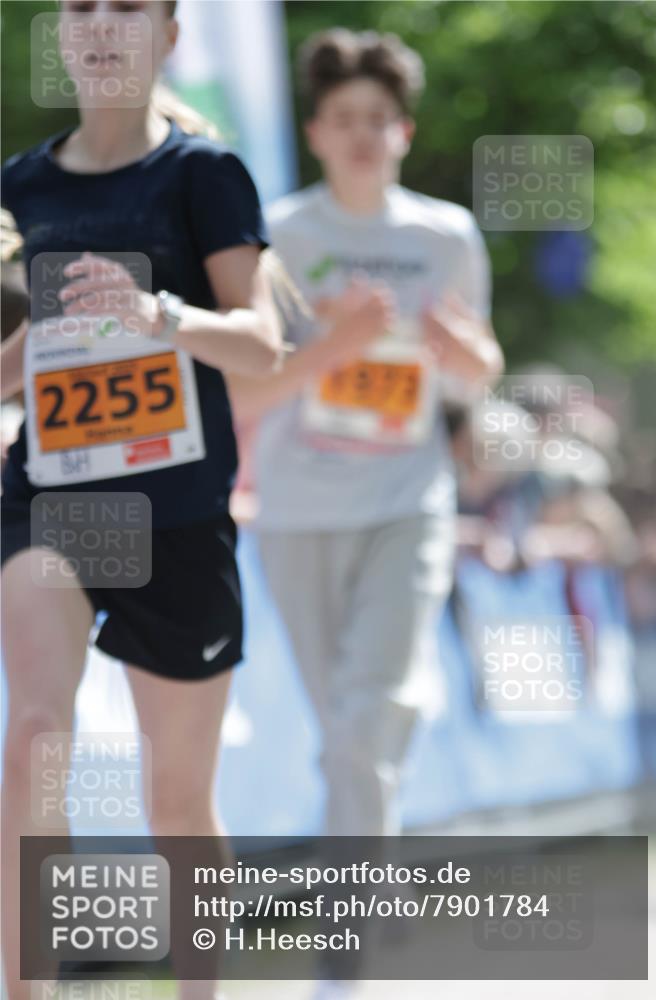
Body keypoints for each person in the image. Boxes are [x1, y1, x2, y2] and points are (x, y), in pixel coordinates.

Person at [0, 2, 283, 998]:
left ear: (168, 34)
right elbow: (11, 367)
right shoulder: (16, 188)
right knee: (36, 732)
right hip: (54, 496)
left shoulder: (203, 174)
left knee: (177, 800)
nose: (102, 24)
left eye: (129, 7)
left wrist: (157, 313)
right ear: (59, 34)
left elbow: (260, 344)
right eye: (80, 6)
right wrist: (34, 348)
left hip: (178, 508)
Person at [228, 29, 503, 997]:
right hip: (300, 514)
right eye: (340, 119)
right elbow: (242, 397)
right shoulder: (279, 237)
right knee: (345, 737)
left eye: (375, 120)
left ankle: (343, 960)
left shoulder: (443, 237)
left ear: (402, 131)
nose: (358, 135)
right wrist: (325, 346)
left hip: (406, 502)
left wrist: (455, 346)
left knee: (361, 722)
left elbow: (478, 370)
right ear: (313, 130)